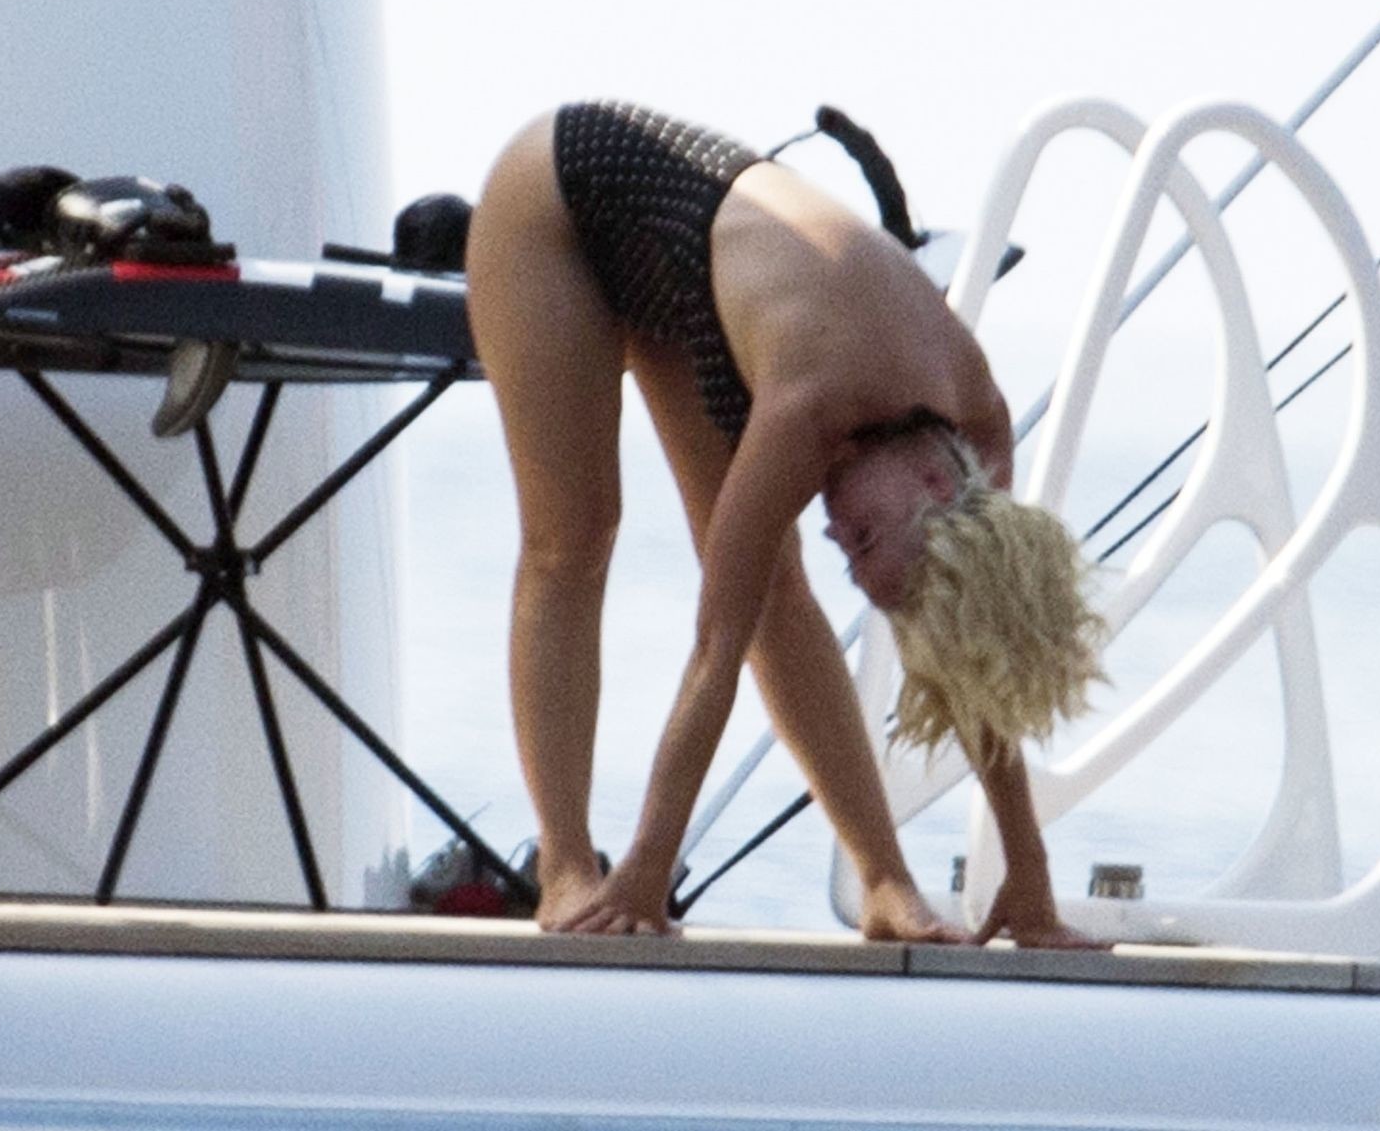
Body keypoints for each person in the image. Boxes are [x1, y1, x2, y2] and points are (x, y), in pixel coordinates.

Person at [464, 101, 1103, 946]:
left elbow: (973, 647)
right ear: (929, 481)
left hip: (683, 271)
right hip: (562, 199)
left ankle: (886, 882)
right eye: (864, 539)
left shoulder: (975, 434)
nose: (840, 541)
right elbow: (714, 650)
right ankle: (566, 867)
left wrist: (1029, 873)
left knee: (776, 587)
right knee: (573, 538)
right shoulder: (814, 403)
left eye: (854, 557)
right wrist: (647, 871)